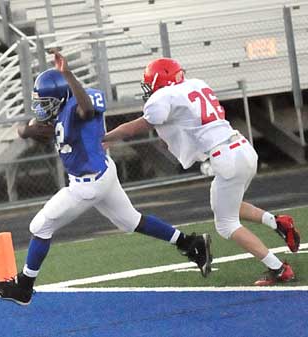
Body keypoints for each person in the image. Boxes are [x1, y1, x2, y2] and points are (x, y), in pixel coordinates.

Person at [0, 51, 212, 306]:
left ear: (62, 96)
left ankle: (24, 287)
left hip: (88, 184)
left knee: (40, 227)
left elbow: (86, 108)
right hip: (103, 172)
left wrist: (67, 74)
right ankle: (191, 244)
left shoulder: (78, 105)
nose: (41, 106)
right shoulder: (58, 111)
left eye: (46, 101)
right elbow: (33, 131)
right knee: (132, 221)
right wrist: (25, 130)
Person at [103, 57, 301, 286]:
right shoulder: (197, 84)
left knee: (226, 224)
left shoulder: (163, 97)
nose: (149, 90)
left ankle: (278, 268)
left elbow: (140, 125)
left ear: (160, 81)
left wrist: (106, 138)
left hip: (226, 157)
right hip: (242, 147)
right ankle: (278, 222)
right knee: (228, 204)